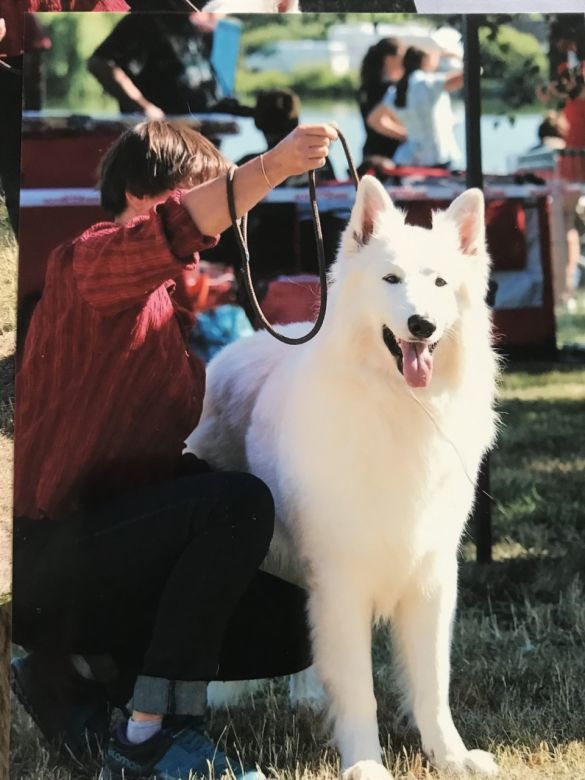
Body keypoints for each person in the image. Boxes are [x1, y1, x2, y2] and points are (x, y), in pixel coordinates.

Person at [11, 118, 338, 780]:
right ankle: (152, 736)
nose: (222, 213)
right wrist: (271, 167)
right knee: (235, 504)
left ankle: (78, 678)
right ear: (140, 192)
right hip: (45, 558)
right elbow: (179, 227)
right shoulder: (87, 261)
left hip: (96, 550)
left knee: (291, 624)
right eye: (206, 189)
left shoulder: (161, 309)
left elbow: (158, 476)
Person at [88, 13, 239, 120]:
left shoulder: (192, 26)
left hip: (199, 142)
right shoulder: (144, 19)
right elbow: (100, 62)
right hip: (158, 143)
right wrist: (144, 107)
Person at [378, 45, 463, 169]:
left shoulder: (394, 90)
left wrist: (404, 134)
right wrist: (458, 57)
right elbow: (467, 75)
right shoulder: (428, 83)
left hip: (408, 158)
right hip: (437, 157)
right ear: (424, 61)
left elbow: (375, 120)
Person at [357, 37, 407, 170]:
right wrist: (408, 135)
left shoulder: (366, 87)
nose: (406, 61)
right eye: (403, 56)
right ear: (390, 58)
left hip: (371, 153)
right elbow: (376, 122)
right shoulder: (387, 89)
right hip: (386, 158)